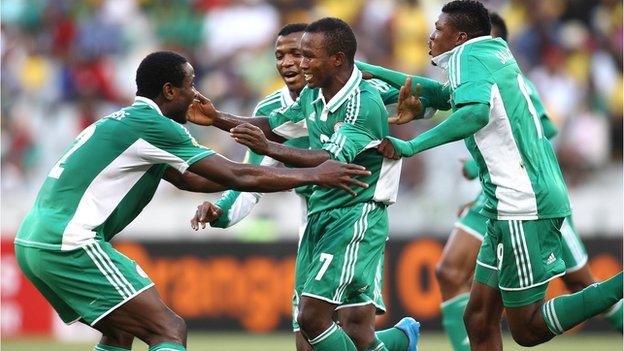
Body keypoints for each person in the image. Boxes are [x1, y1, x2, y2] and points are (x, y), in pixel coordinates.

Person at [14, 51, 372, 351]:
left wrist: (241, 172)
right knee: (168, 330)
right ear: (170, 90)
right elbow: (237, 174)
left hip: (35, 239)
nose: (196, 94)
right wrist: (315, 174)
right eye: (190, 85)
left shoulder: (125, 121)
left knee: (121, 331)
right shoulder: (156, 127)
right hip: (69, 242)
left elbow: (195, 179)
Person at [372, 1, 622, 349]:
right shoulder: (493, 52)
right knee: (478, 317)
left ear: (459, 37)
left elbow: (474, 114)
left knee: (528, 328)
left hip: (521, 201)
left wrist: (411, 147)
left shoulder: (465, 58)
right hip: (509, 200)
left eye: (438, 30)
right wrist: (371, 71)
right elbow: (444, 97)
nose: (430, 36)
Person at [188, 18, 420, 351]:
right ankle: (399, 340)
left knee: (350, 325)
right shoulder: (274, 108)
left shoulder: (360, 92)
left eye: (300, 53)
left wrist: (421, 108)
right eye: (280, 55)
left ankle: (399, 339)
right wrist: (222, 209)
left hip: (356, 213)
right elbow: (252, 172)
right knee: (310, 340)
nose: (291, 62)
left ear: (327, 57)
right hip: (313, 218)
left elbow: (420, 98)